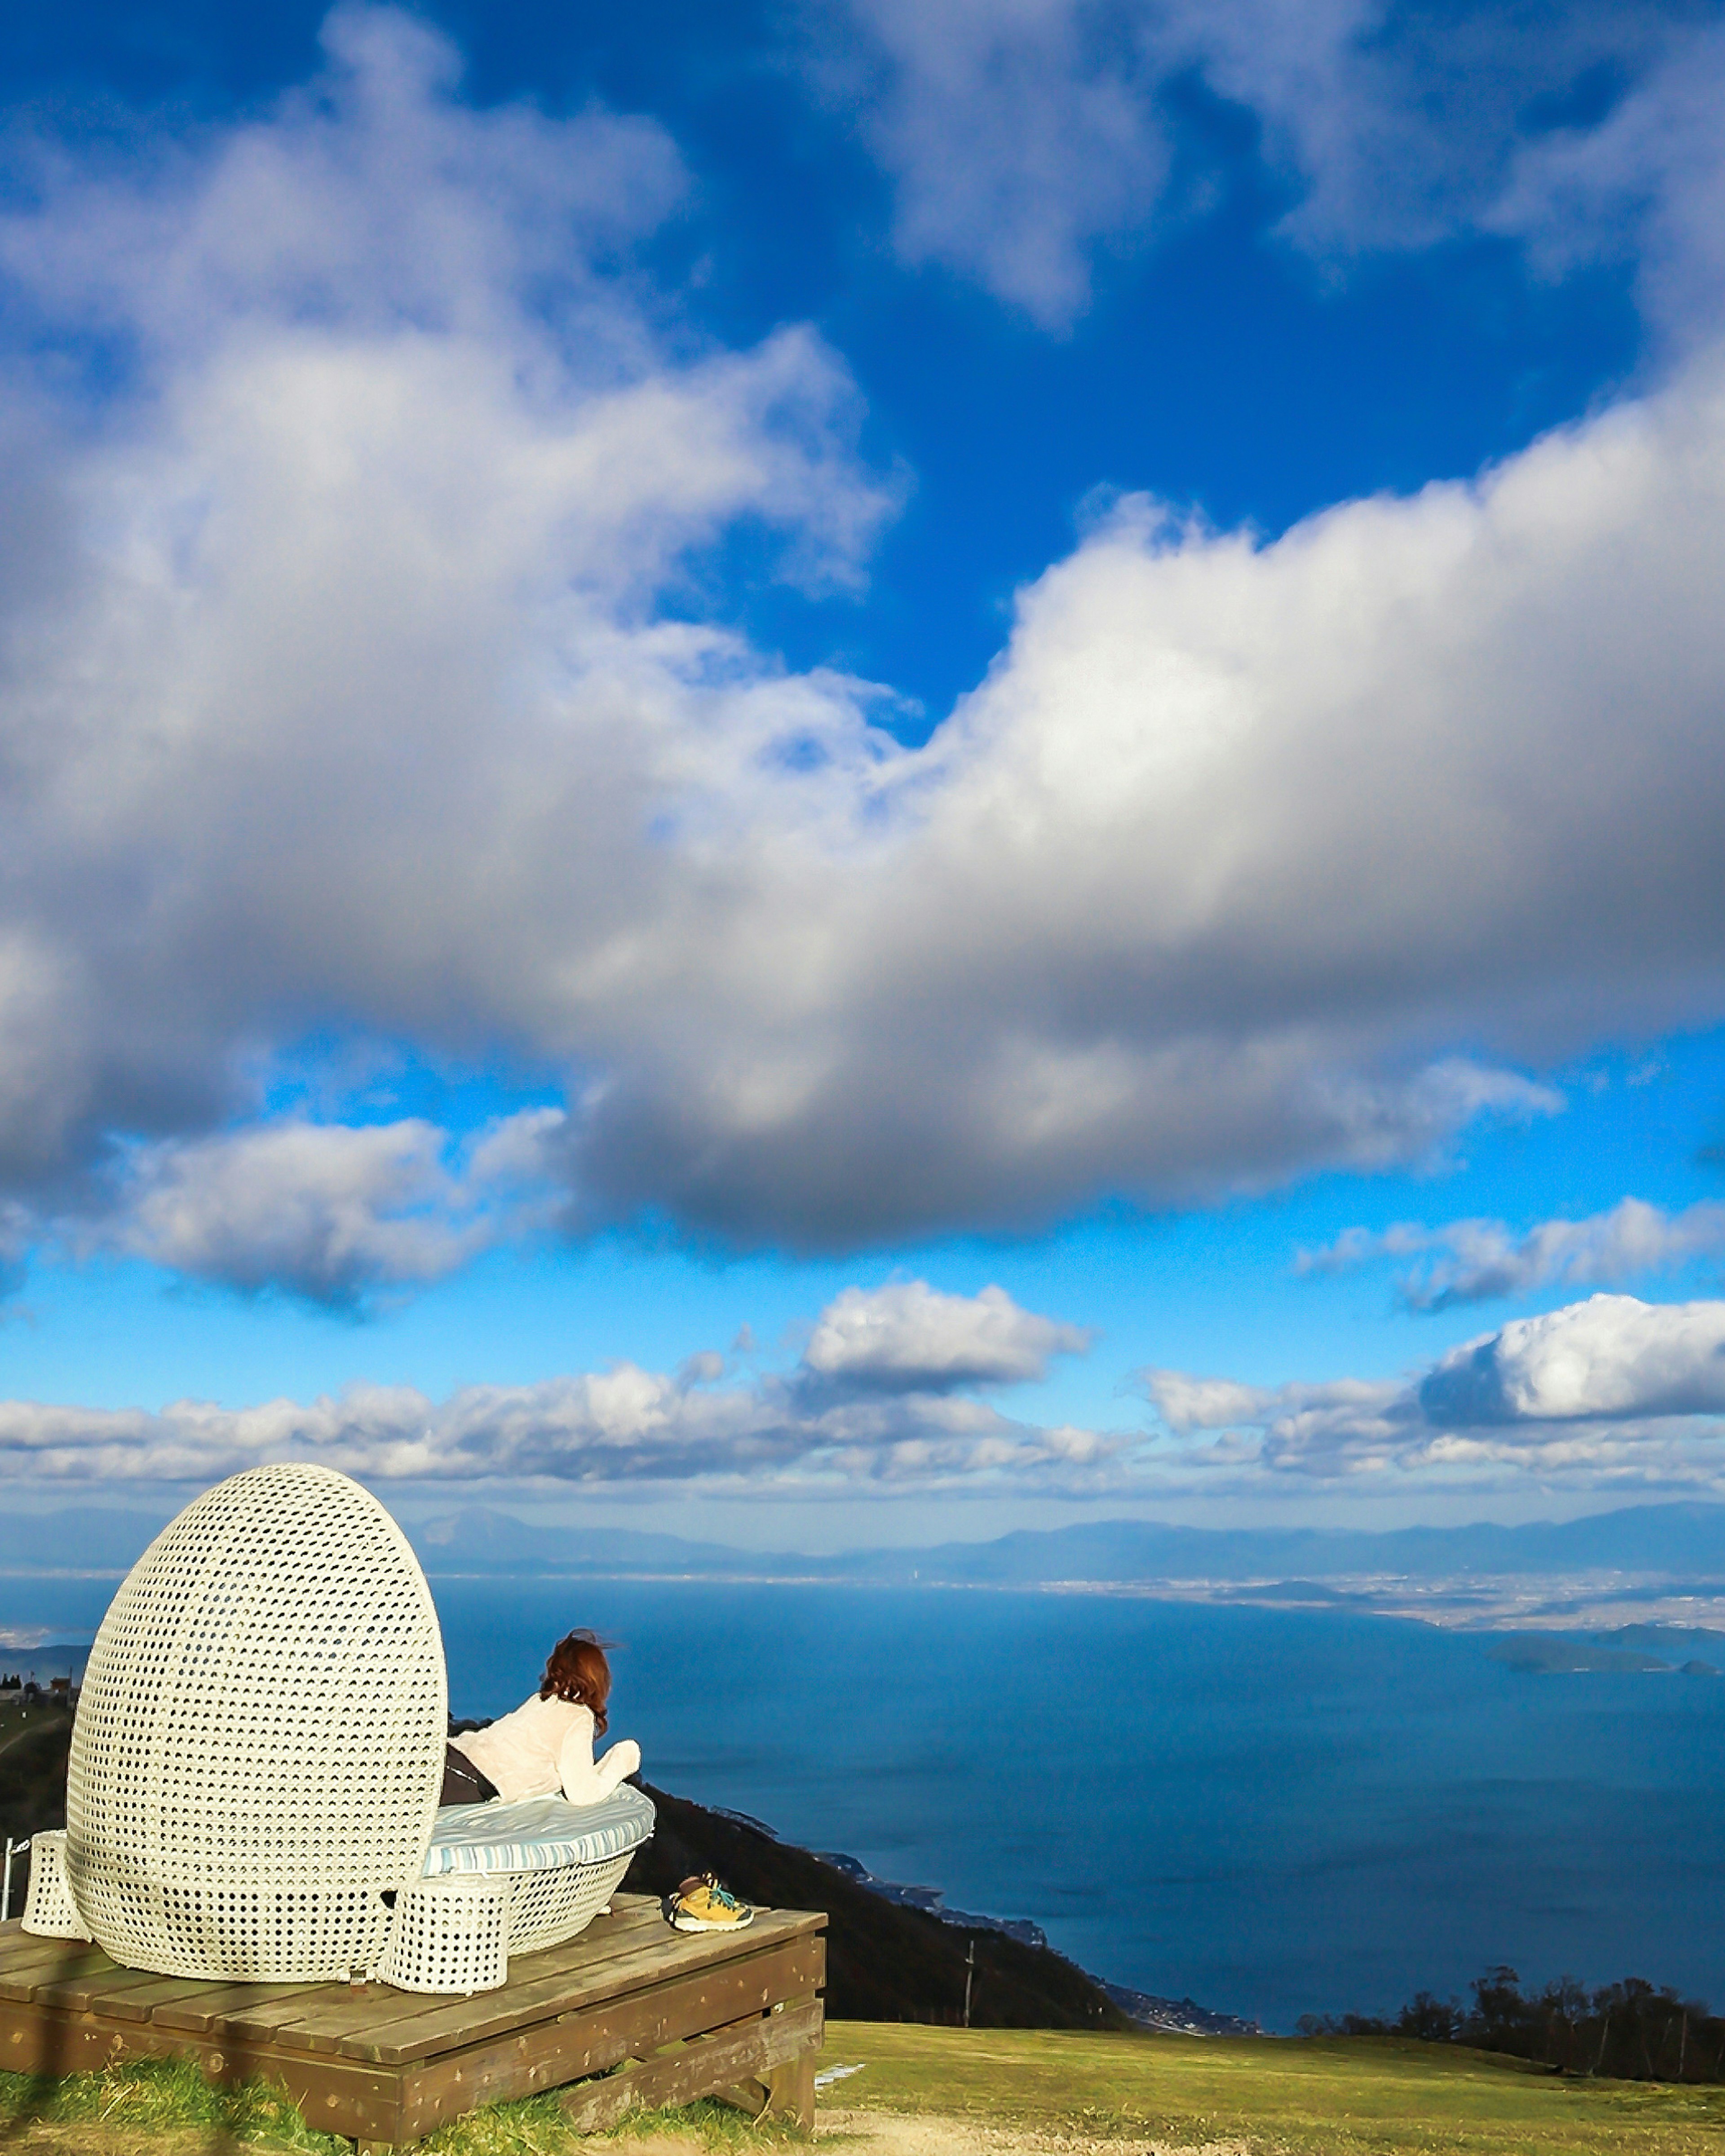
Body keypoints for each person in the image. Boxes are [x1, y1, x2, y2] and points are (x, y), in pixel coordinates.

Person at [441, 1630, 641, 1807]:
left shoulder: (542, 1701)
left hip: (450, 1757)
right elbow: (582, 1794)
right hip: (468, 1779)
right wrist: (623, 1760)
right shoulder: (577, 1717)